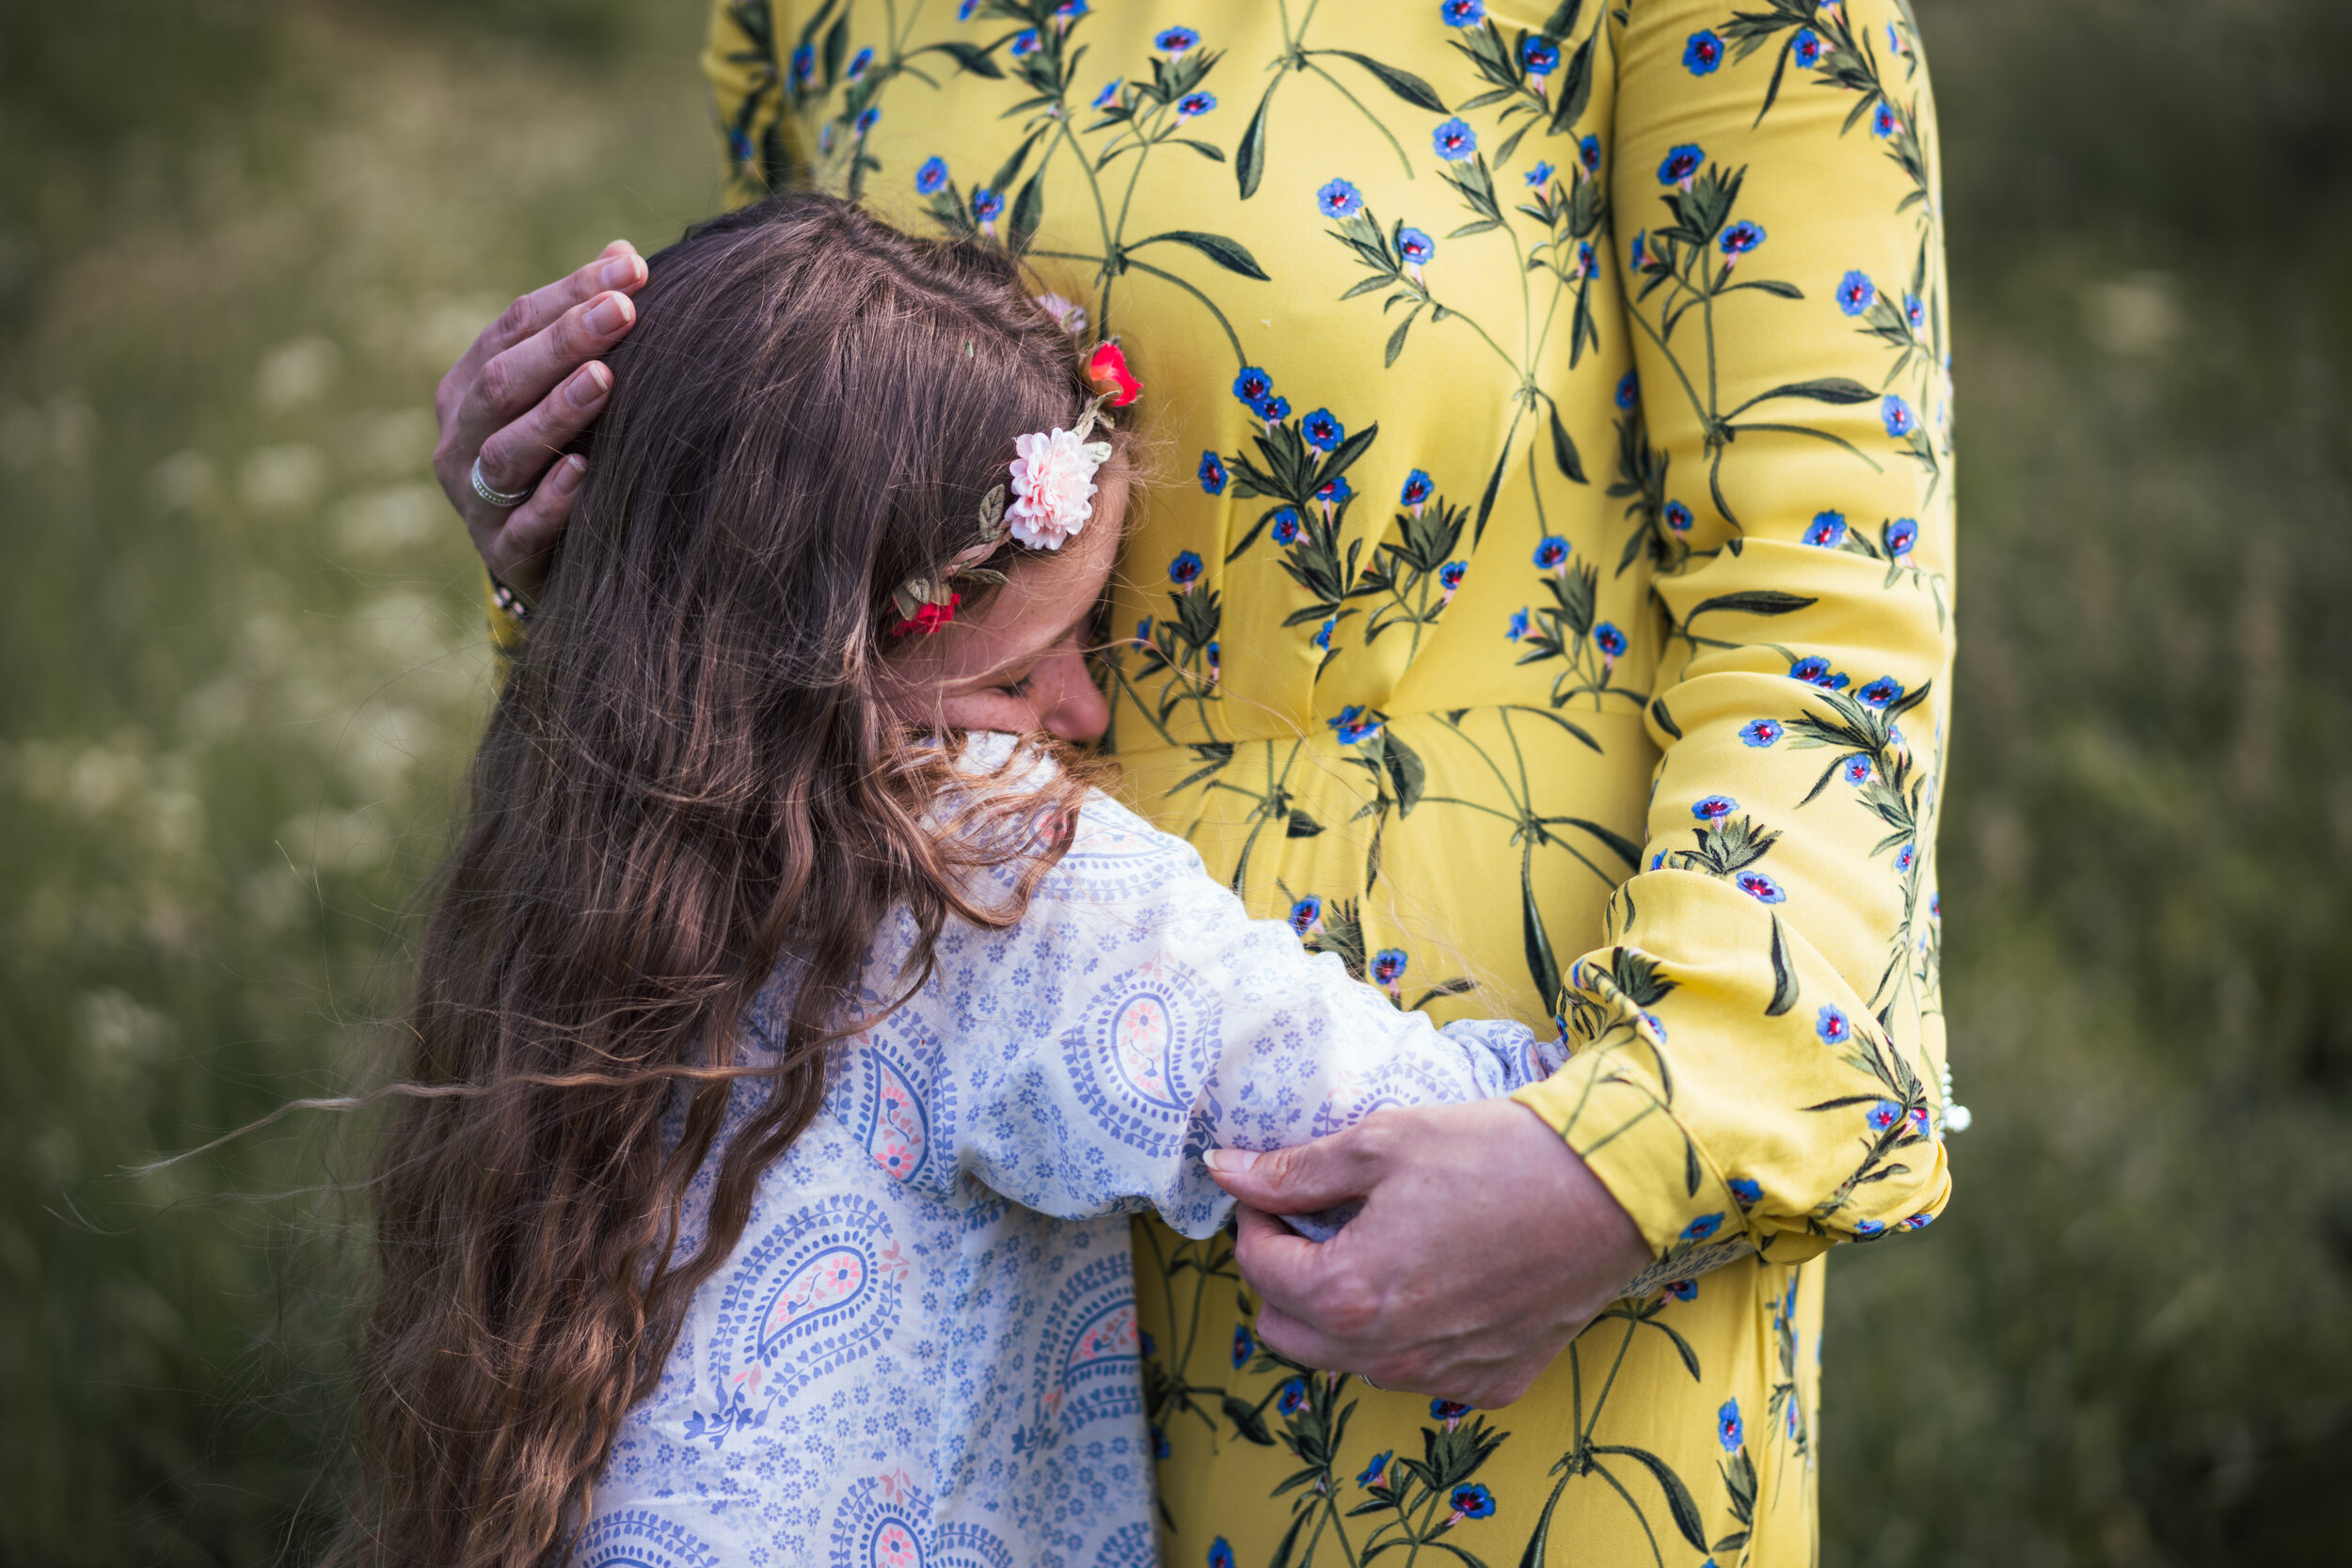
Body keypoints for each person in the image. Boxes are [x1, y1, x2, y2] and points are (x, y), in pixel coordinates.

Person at [431, 2, 1959, 1560]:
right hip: (925, 1275)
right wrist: (591, 552)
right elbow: (788, 503)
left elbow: (1825, 596)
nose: (1074, 708)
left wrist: (1647, 1149)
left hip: (1478, 1235)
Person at [349, 191, 1600, 1568]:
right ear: (822, 660)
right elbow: (1416, 1136)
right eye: (1016, 670)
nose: (1081, 710)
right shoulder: (969, 858)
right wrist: (1684, 1122)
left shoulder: (600, 832)